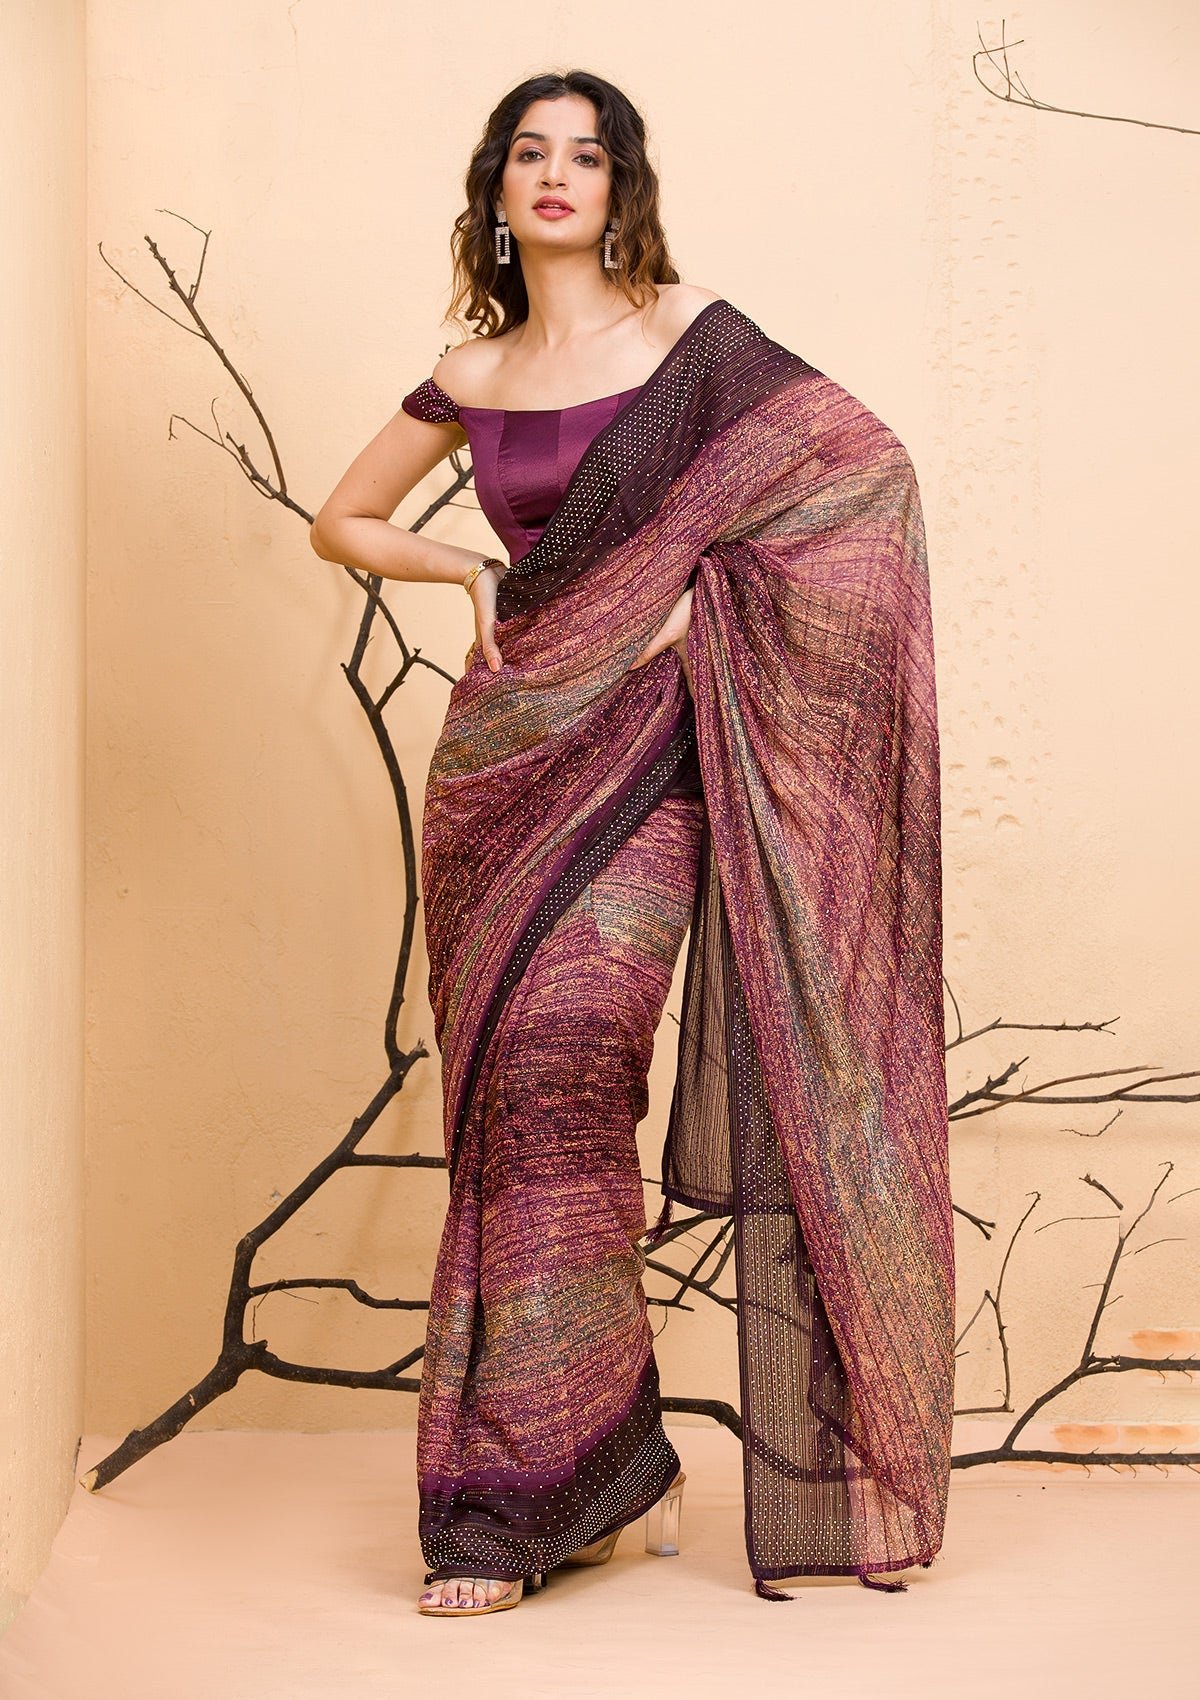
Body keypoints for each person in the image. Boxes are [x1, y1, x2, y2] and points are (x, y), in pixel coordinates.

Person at [310, 68, 954, 1617]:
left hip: (647, 755)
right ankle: (584, 1470)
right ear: (497, 187)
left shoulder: (693, 342)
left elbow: (863, 480)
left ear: (621, 187)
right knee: (503, 1114)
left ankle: (545, 1484)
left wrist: (699, 602)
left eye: (586, 156)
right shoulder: (469, 369)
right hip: (497, 767)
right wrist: (469, 575)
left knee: (574, 1071)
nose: (557, 174)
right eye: (530, 153)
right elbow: (341, 519)